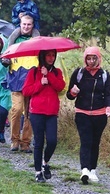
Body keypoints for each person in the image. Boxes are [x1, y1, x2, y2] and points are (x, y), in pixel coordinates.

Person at [66, 46, 110, 184]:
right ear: (85, 59)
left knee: (95, 142)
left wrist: (109, 107)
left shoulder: (104, 75)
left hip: (100, 114)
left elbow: (108, 94)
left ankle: (93, 170)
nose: (91, 61)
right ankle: (84, 170)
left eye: (94, 58)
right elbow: (69, 95)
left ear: (99, 59)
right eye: (88, 58)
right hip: (82, 113)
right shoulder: (79, 73)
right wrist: (73, 92)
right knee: (86, 141)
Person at [22, 49, 65, 182]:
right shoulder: (34, 72)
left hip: (52, 112)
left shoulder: (57, 72)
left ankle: (45, 162)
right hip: (37, 112)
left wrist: (49, 76)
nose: (51, 58)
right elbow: (26, 90)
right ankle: (38, 172)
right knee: (39, 142)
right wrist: (40, 83)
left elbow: (61, 86)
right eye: (48, 55)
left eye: (53, 55)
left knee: (52, 141)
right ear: (42, 56)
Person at [1, 14, 39, 153]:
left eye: (29, 25)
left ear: (33, 25)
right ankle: (14, 140)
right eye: (24, 24)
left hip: (31, 82)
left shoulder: (37, 42)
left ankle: (26, 142)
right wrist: (4, 61)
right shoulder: (12, 41)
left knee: (29, 113)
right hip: (16, 80)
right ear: (20, 24)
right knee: (16, 111)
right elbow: (5, 58)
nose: (26, 27)